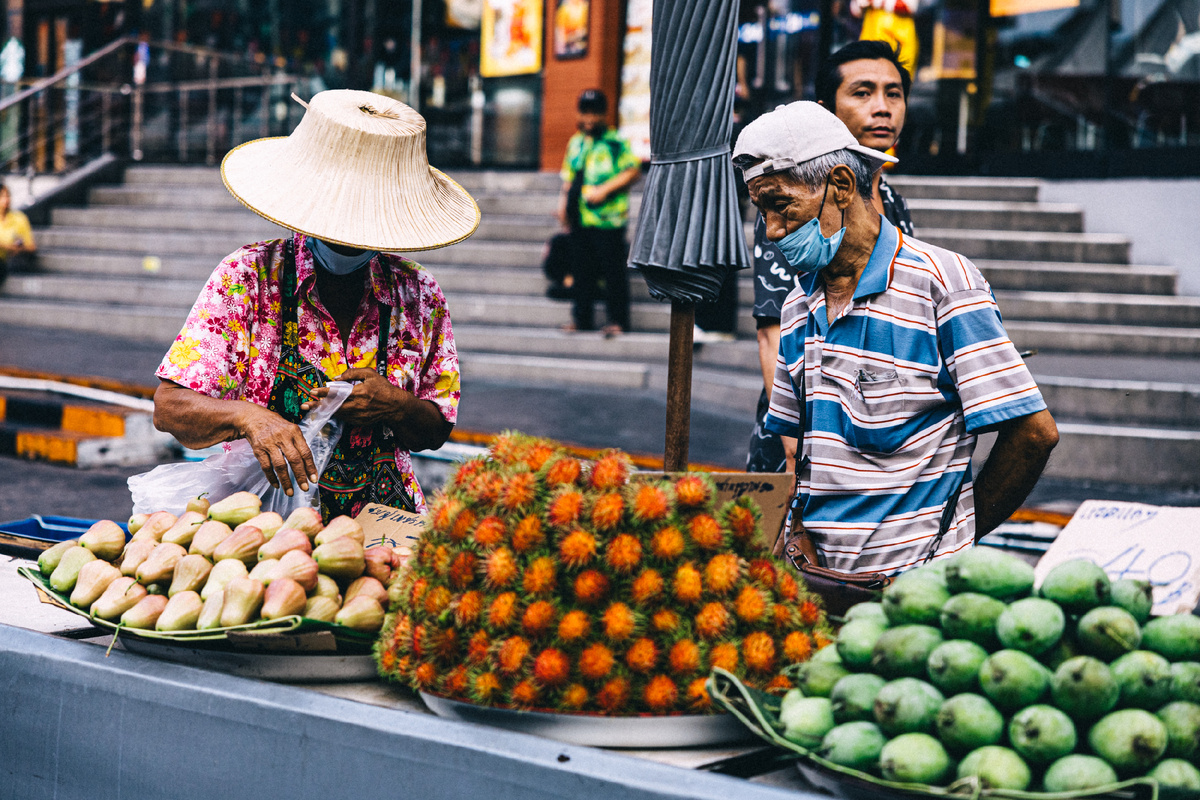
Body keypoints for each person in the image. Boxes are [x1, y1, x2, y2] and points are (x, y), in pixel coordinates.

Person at [733, 101, 1058, 575]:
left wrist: (955, 542)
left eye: (780, 205)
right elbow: (799, 451)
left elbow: (1033, 434)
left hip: (912, 593)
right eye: (762, 210)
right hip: (818, 582)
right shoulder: (796, 308)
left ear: (841, 186)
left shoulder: (942, 282)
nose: (772, 230)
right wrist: (797, 534)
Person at [153, 89, 478, 520]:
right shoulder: (248, 277)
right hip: (263, 526)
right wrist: (250, 418)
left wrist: (398, 406)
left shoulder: (419, 295)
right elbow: (169, 407)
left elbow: (435, 430)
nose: (348, 237)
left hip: (383, 526)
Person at [749, 40, 912, 472]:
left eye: (893, 93)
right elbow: (772, 333)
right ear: (825, 111)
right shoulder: (791, 207)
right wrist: (796, 446)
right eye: (862, 93)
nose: (882, 108)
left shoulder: (895, 203)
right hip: (803, 426)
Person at [556, 88, 641, 337]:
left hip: (609, 221)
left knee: (613, 271)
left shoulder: (616, 142)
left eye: (595, 113)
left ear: (604, 114)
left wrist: (604, 190)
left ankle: (618, 321)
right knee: (581, 270)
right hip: (581, 218)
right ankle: (581, 319)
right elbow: (568, 179)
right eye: (586, 112)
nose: (590, 118)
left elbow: (633, 171)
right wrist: (563, 207)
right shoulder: (576, 142)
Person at [0, 183, 35, 286]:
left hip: (9, 261)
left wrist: (12, 247)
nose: (6, 200)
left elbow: (31, 247)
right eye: (2, 196)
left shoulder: (19, 218)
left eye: (7, 196)